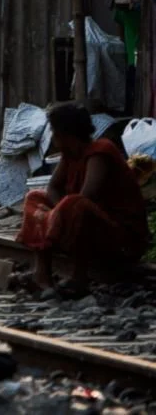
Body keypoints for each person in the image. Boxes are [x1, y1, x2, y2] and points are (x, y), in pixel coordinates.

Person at [18, 103, 149, 295]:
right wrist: (56, 213)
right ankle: (42, 274)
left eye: (54, 131)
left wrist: (58, 215)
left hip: (122, 237)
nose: (52, 137)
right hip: (88, 225)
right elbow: (53, 186)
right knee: (35, 198)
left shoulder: (100, 151)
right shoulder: (70, 155)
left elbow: (88, 196)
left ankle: (79, 277)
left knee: (76, 205)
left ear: (66, 133)